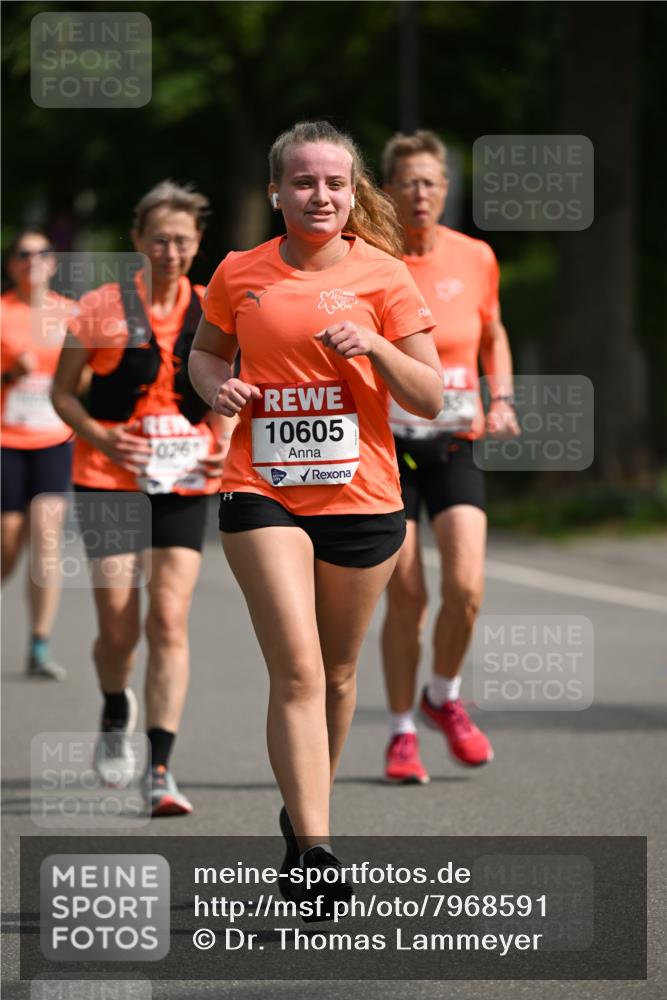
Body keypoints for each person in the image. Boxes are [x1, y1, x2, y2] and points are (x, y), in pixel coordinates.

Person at [189, 120, 442, 908]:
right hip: (260, 486)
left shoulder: (385, 276)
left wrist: (373, 344)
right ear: (276, 191)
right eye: (302, 182)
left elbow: (428, 398)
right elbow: (204, 352)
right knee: (297, 667)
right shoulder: (238, 271)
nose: (319, 195)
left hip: (362, 495)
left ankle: (302, 821)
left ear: (352, 188)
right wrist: (215, 388)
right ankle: (320, 852)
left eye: (333, 182)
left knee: (336, 675)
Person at [51, 181, 230, 816]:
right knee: (119, 626)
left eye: (183, 240)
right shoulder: (100, 307)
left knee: (169, 619)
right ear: (137, 241)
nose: (171, 250)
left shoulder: (215, 308)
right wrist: (106, 436)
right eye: (159, 238)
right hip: (108, 478)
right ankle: (112, 705)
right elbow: (63, 395)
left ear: (198, 243)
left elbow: (228, 389)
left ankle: (160, 768)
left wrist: (218, 438)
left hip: (185, 481)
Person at [380, 130, 519, 784]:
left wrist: (503, 399)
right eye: (407, 181)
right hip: (387, 447)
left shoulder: (475, 257)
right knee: (406, 597)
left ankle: (443, 693)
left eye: (430, 182)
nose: (419, 193)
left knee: (464, 589)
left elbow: (491, 332)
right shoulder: (372, 262)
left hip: (456, 439)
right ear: (387, 190)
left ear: (444, 190)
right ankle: (402, 730)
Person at [1, 229, 77, 680]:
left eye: (43, 253)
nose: (34, 261)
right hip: (6, 441)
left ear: (53, 264)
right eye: (24, 254)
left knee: (47, 538)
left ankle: (39, 644)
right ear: (12, 264)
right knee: (8, 547)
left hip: (54, 438)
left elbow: (88, 378)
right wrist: (10, 371)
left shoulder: (71, 314)